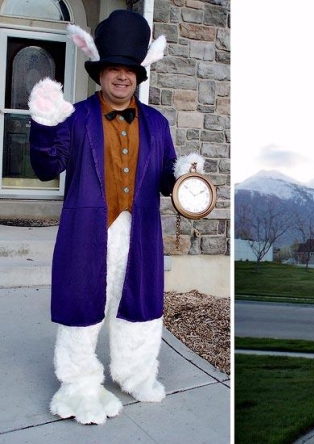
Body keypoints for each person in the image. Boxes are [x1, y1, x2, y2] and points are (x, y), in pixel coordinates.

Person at [28, 10, 203, 425]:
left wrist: (186, 177)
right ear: (100, 73)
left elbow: (165, 177)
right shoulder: (76, 118)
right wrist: (44, 124)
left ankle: (136, 373)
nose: (121, 77)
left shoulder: (158, 124)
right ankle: (79, 383)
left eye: (129, 70)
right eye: (113, 69)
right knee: (82, 305)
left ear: (139, 76)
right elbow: (44, 168)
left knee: (140, 307)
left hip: (139, 232)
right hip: (88, 230)